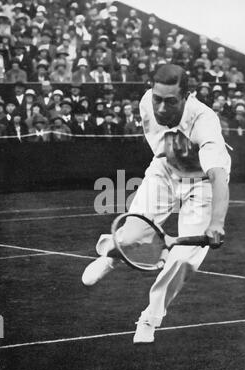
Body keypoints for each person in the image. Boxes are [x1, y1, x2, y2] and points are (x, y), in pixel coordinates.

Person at [82, 64, 231, 344]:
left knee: (184, 260)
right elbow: (163, 147)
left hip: (203, 184)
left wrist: (217, 223)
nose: (161, 108)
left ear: (187, 96)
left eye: (170, 101)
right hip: (165, 170)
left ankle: (150, 317)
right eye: (157, 99)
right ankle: (111, 255)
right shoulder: (145, 104)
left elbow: (218, 176)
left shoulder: (205, 121)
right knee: (133, 235)